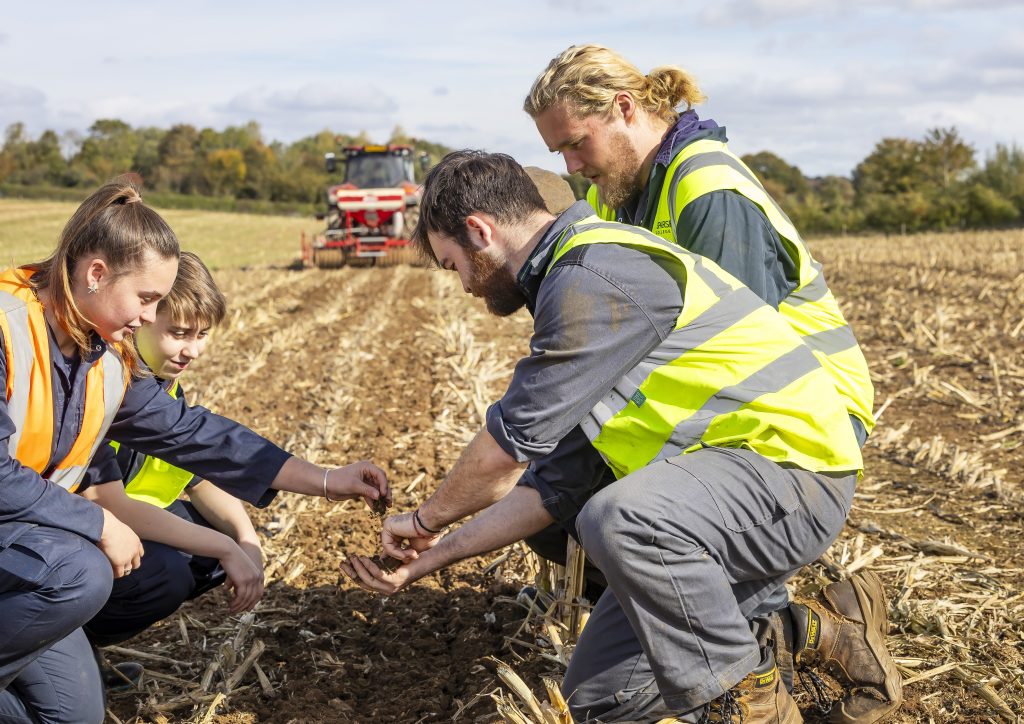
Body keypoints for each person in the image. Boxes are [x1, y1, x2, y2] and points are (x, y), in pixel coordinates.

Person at [343, 151, 869, 723]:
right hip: (714, 503)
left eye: (454, 265)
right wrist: (426, 560)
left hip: (792, 477)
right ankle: (816, 630)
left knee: (620, 518)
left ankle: (746, 707)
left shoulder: (592, 278)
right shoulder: (576, 282)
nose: (465, 287)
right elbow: (546, 489)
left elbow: (505, 450)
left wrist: (421, 522)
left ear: (479, 231)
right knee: (601, 706)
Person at [522, 45, 900, 722]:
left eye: (576, 145)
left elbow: (736, 361)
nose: (571, 167)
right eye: (559, 155)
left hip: (800, 422)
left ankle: (763, 682)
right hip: (737, 421)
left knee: (630, 529)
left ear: (626, 110)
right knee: (580, 529)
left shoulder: (705, 190)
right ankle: (819, 630)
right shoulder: (636, 194)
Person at [0, 178, 389, 724]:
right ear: (95, 273)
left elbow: (194, 435)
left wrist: (326, 479)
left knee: (70, 717)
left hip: (24, 540)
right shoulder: (6, 327)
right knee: (83, 569)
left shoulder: (103, 355)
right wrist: (97, 521)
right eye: (147, 299)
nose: (147, 316)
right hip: (30, 541)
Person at [82, 251, 266, 656]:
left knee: (221, 535)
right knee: (166, 574)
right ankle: (63, 649)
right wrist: (225, 548)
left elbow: (197, 480)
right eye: (179, 333)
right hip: (87, 529)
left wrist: (245, 538)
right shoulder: (110, 389)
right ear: (143, 318)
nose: (193, 351)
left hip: (128, 522)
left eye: (201, 335)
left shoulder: (167, 387)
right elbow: (112, 506)